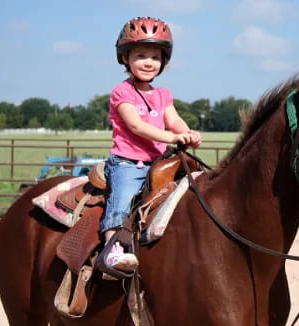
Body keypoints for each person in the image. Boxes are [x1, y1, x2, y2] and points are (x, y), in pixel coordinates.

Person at [101, 17, 202, 278]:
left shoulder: (162, 94)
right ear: (125, 58)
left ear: (163, 61)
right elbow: (136, 127)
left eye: (155, 57)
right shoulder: (121, 93)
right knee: (122, 200)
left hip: (159, 164)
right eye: (141, 55)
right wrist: (171, 137)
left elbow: (174, 119)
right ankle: (112, 249)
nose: (148, 62)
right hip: (127, 163)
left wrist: (187, 133)